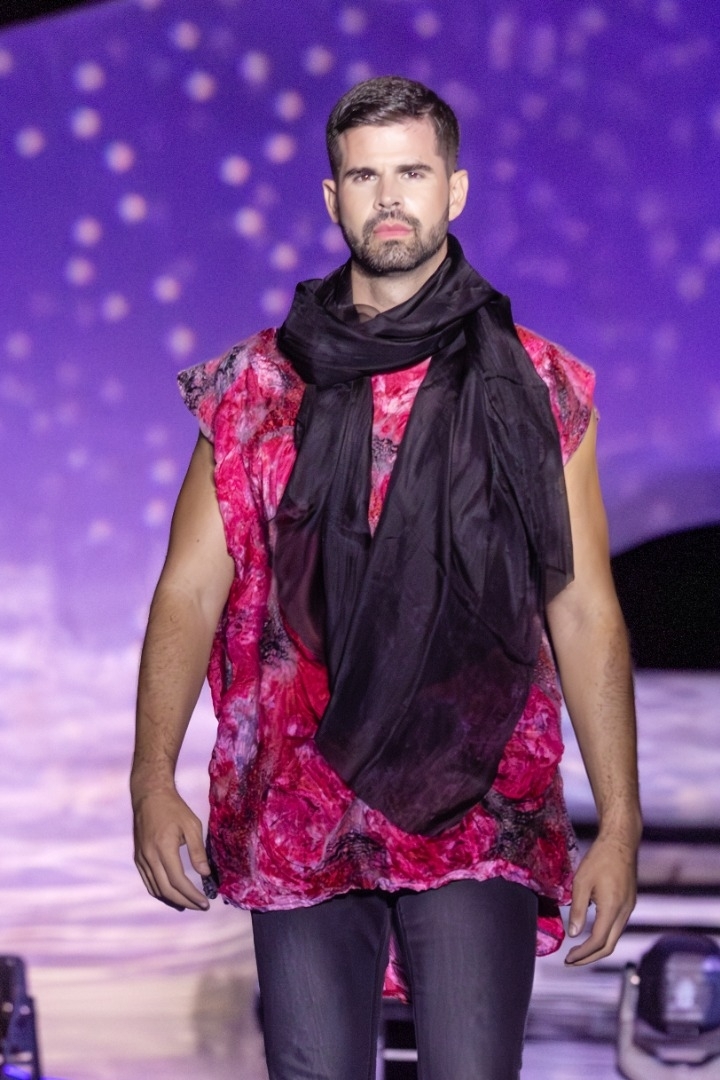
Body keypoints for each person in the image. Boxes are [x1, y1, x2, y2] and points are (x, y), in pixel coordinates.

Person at [131, 76, 642, 1079]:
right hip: (297, 801)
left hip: (478, 806)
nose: (391, 197)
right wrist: (152, 780)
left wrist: (620, 819)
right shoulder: (254, 387)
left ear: (455, 189)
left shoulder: (540, 387)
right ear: (335, 199)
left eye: (412, 172)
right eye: (366, 177)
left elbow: (583, 609)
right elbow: (188, 590)